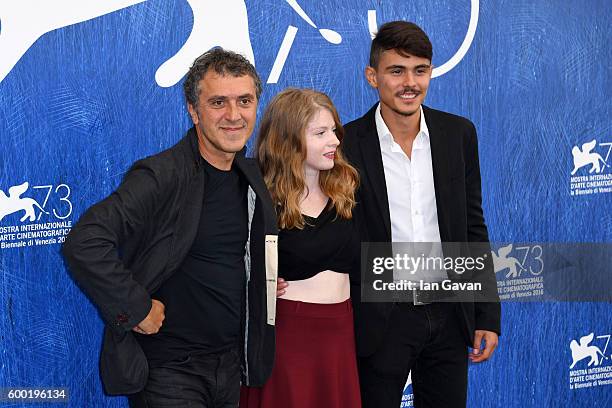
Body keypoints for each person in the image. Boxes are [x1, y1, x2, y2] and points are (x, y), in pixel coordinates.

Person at [62, 48, 279, 407]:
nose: (233, 115)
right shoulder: (161, 175)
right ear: (193, 111)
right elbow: (84, 241)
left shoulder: (251, 176)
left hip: (228, 368)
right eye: (218, 103)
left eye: (244, 100)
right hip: (170, 374)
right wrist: (135, 308)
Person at [342, 21, 501, 408]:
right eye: (396, 71)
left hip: (449, 315)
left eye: (420, 70)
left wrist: (486, 313)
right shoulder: (345, 144)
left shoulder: (458, 134)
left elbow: (472, 225)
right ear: (372, 76)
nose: (410, 82)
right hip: (381, 320)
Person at [240, 88, 361, 407]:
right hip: (290, 336)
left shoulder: (345, 191)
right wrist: (255, 284)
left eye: (334, 130)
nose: (334, 140)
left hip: (341, 332)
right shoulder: (262, 200)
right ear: (288, 139)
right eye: (321, 132)